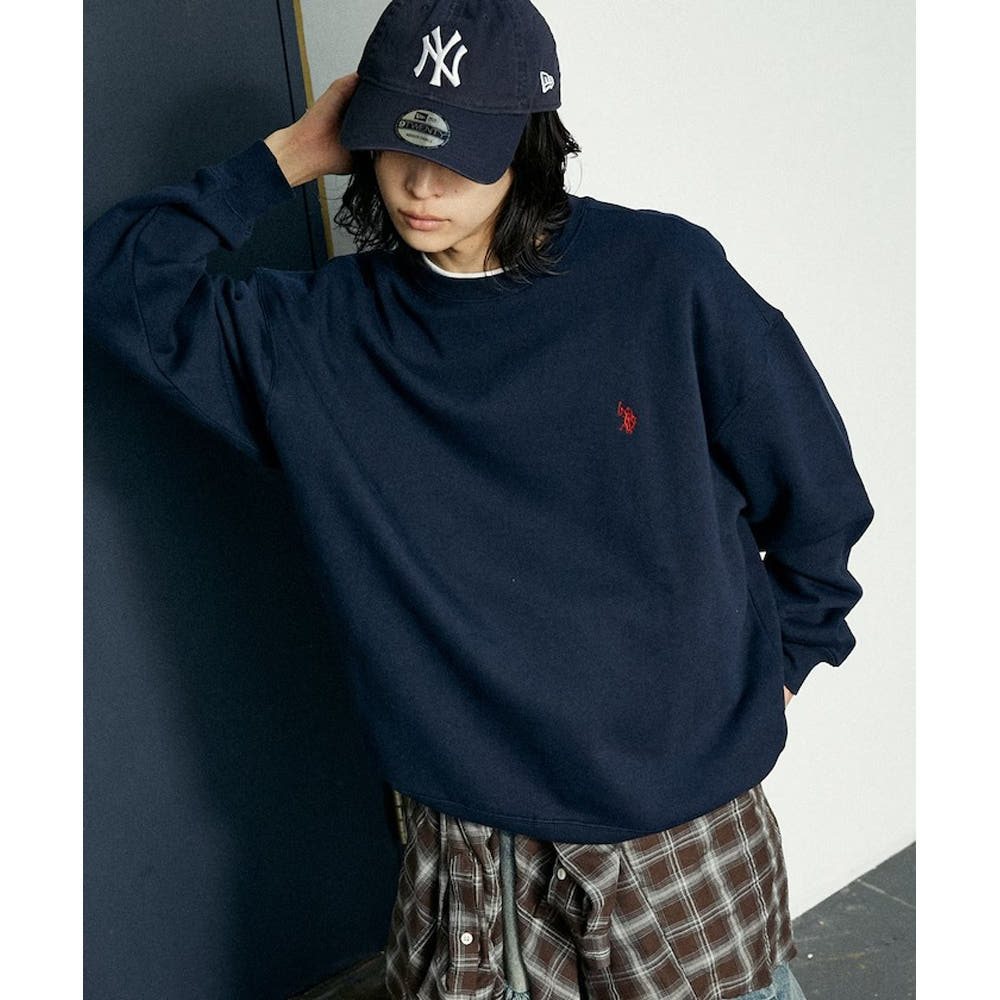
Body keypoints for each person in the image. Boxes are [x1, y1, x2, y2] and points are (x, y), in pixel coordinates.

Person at [84, 1, 874, 997]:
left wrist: (788, 656)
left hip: (675, 822)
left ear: (529, 147)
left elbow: (817, 493)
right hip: (464, 837)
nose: (421, 185)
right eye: (396, 144)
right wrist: (285, 156)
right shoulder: (320, 336)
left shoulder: (662, 278)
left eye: (457, 155)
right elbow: (113, 284)